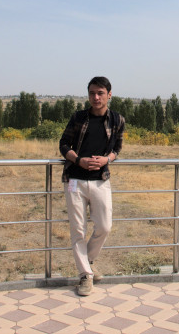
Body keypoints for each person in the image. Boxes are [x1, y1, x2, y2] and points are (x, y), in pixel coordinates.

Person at [59, 76, 125, 296]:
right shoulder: (78, 117)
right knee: (78, 230)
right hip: (75, 181)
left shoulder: (117, 120)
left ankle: (88, 262)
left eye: (100, 93)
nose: (95, 97)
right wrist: (79, 160)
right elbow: (63, 144)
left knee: (105, 226)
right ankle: (85, 276)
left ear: (109, 95)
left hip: (100, 180)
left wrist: (107, 159)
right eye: (92, 93)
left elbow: (117, 148)